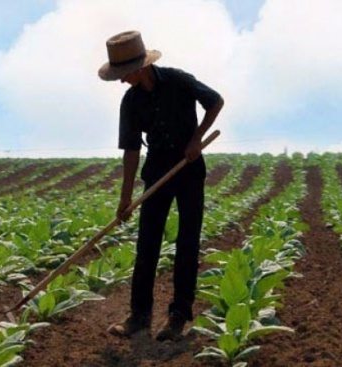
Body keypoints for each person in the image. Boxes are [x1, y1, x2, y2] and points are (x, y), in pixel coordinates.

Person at [98, 30, 224, 341]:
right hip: (156, 172)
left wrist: (196, 139)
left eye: (123, 74)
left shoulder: (179, 81)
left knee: (187, 243)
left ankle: (178, 316)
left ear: (140, 67)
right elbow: (131, 151)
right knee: (147, 245)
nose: (120, 80)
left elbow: (215, 101)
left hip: (189, 169)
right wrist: (125, 199)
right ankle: (139, 316)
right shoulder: (130, 102)